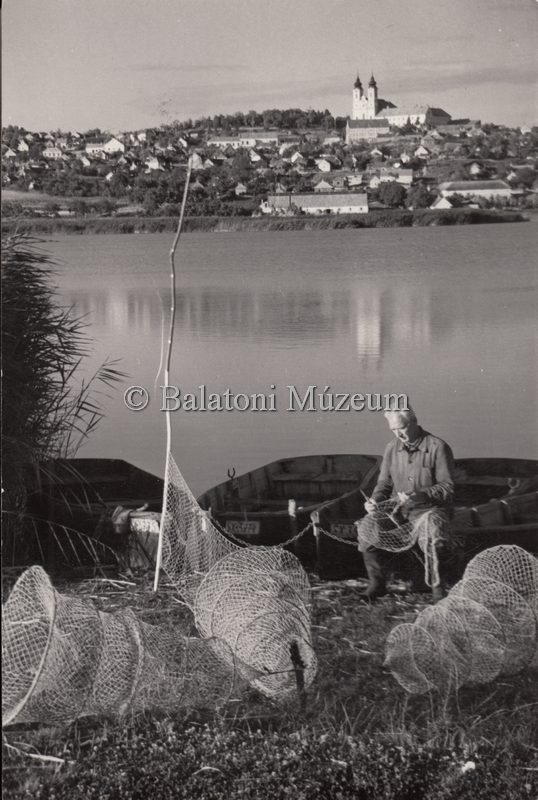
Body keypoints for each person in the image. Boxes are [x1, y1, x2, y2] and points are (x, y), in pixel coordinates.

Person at [359, 406, 456, 603]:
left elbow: (447, 487)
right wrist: (374, 501)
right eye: (393, 430)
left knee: (434, 531)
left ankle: (437, 589)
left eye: (401, 428)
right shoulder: (391, 448)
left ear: (413, 422)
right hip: (398, 512)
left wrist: (420, 495)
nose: (398, 434)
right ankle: (377, 585)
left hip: (429, 510)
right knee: (368, 525)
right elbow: (384, 483)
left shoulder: (438, 447)